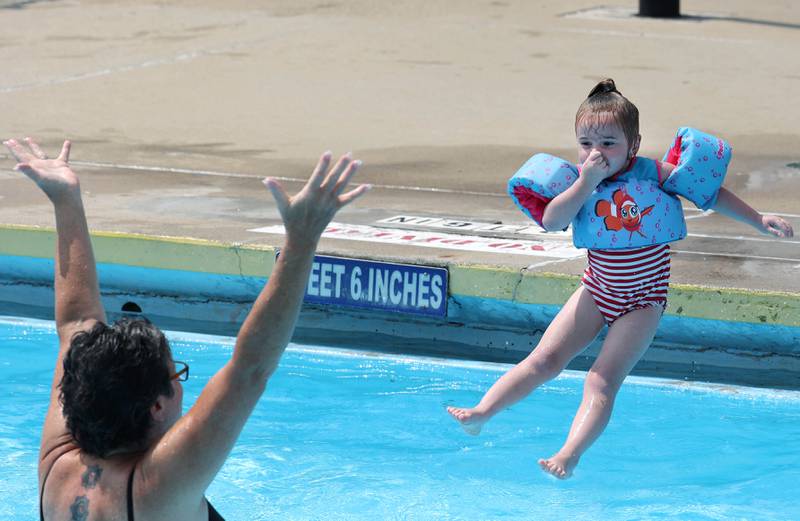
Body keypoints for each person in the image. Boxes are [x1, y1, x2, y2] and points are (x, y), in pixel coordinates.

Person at [3, 137, 370, 520]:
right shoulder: (157, 487)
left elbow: (77, 322)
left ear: (75, 398)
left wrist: (65, 200)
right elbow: (250, 369)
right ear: (157, 405)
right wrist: (301, 241)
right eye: (176, 373)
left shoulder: (58, 465)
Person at [447, 79, 794, 480]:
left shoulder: (655, 173)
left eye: (608, 143)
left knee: (601, 380)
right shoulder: (579, 182)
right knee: (544, 359)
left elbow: (711, 194)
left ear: (634, 142)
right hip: (597, 289)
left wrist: (758, 220)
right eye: (586, 143)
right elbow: (552, 221)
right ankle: (481, 413)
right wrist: (585, 183)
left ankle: (569, 455)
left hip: (643, 301)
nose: (596, 153)